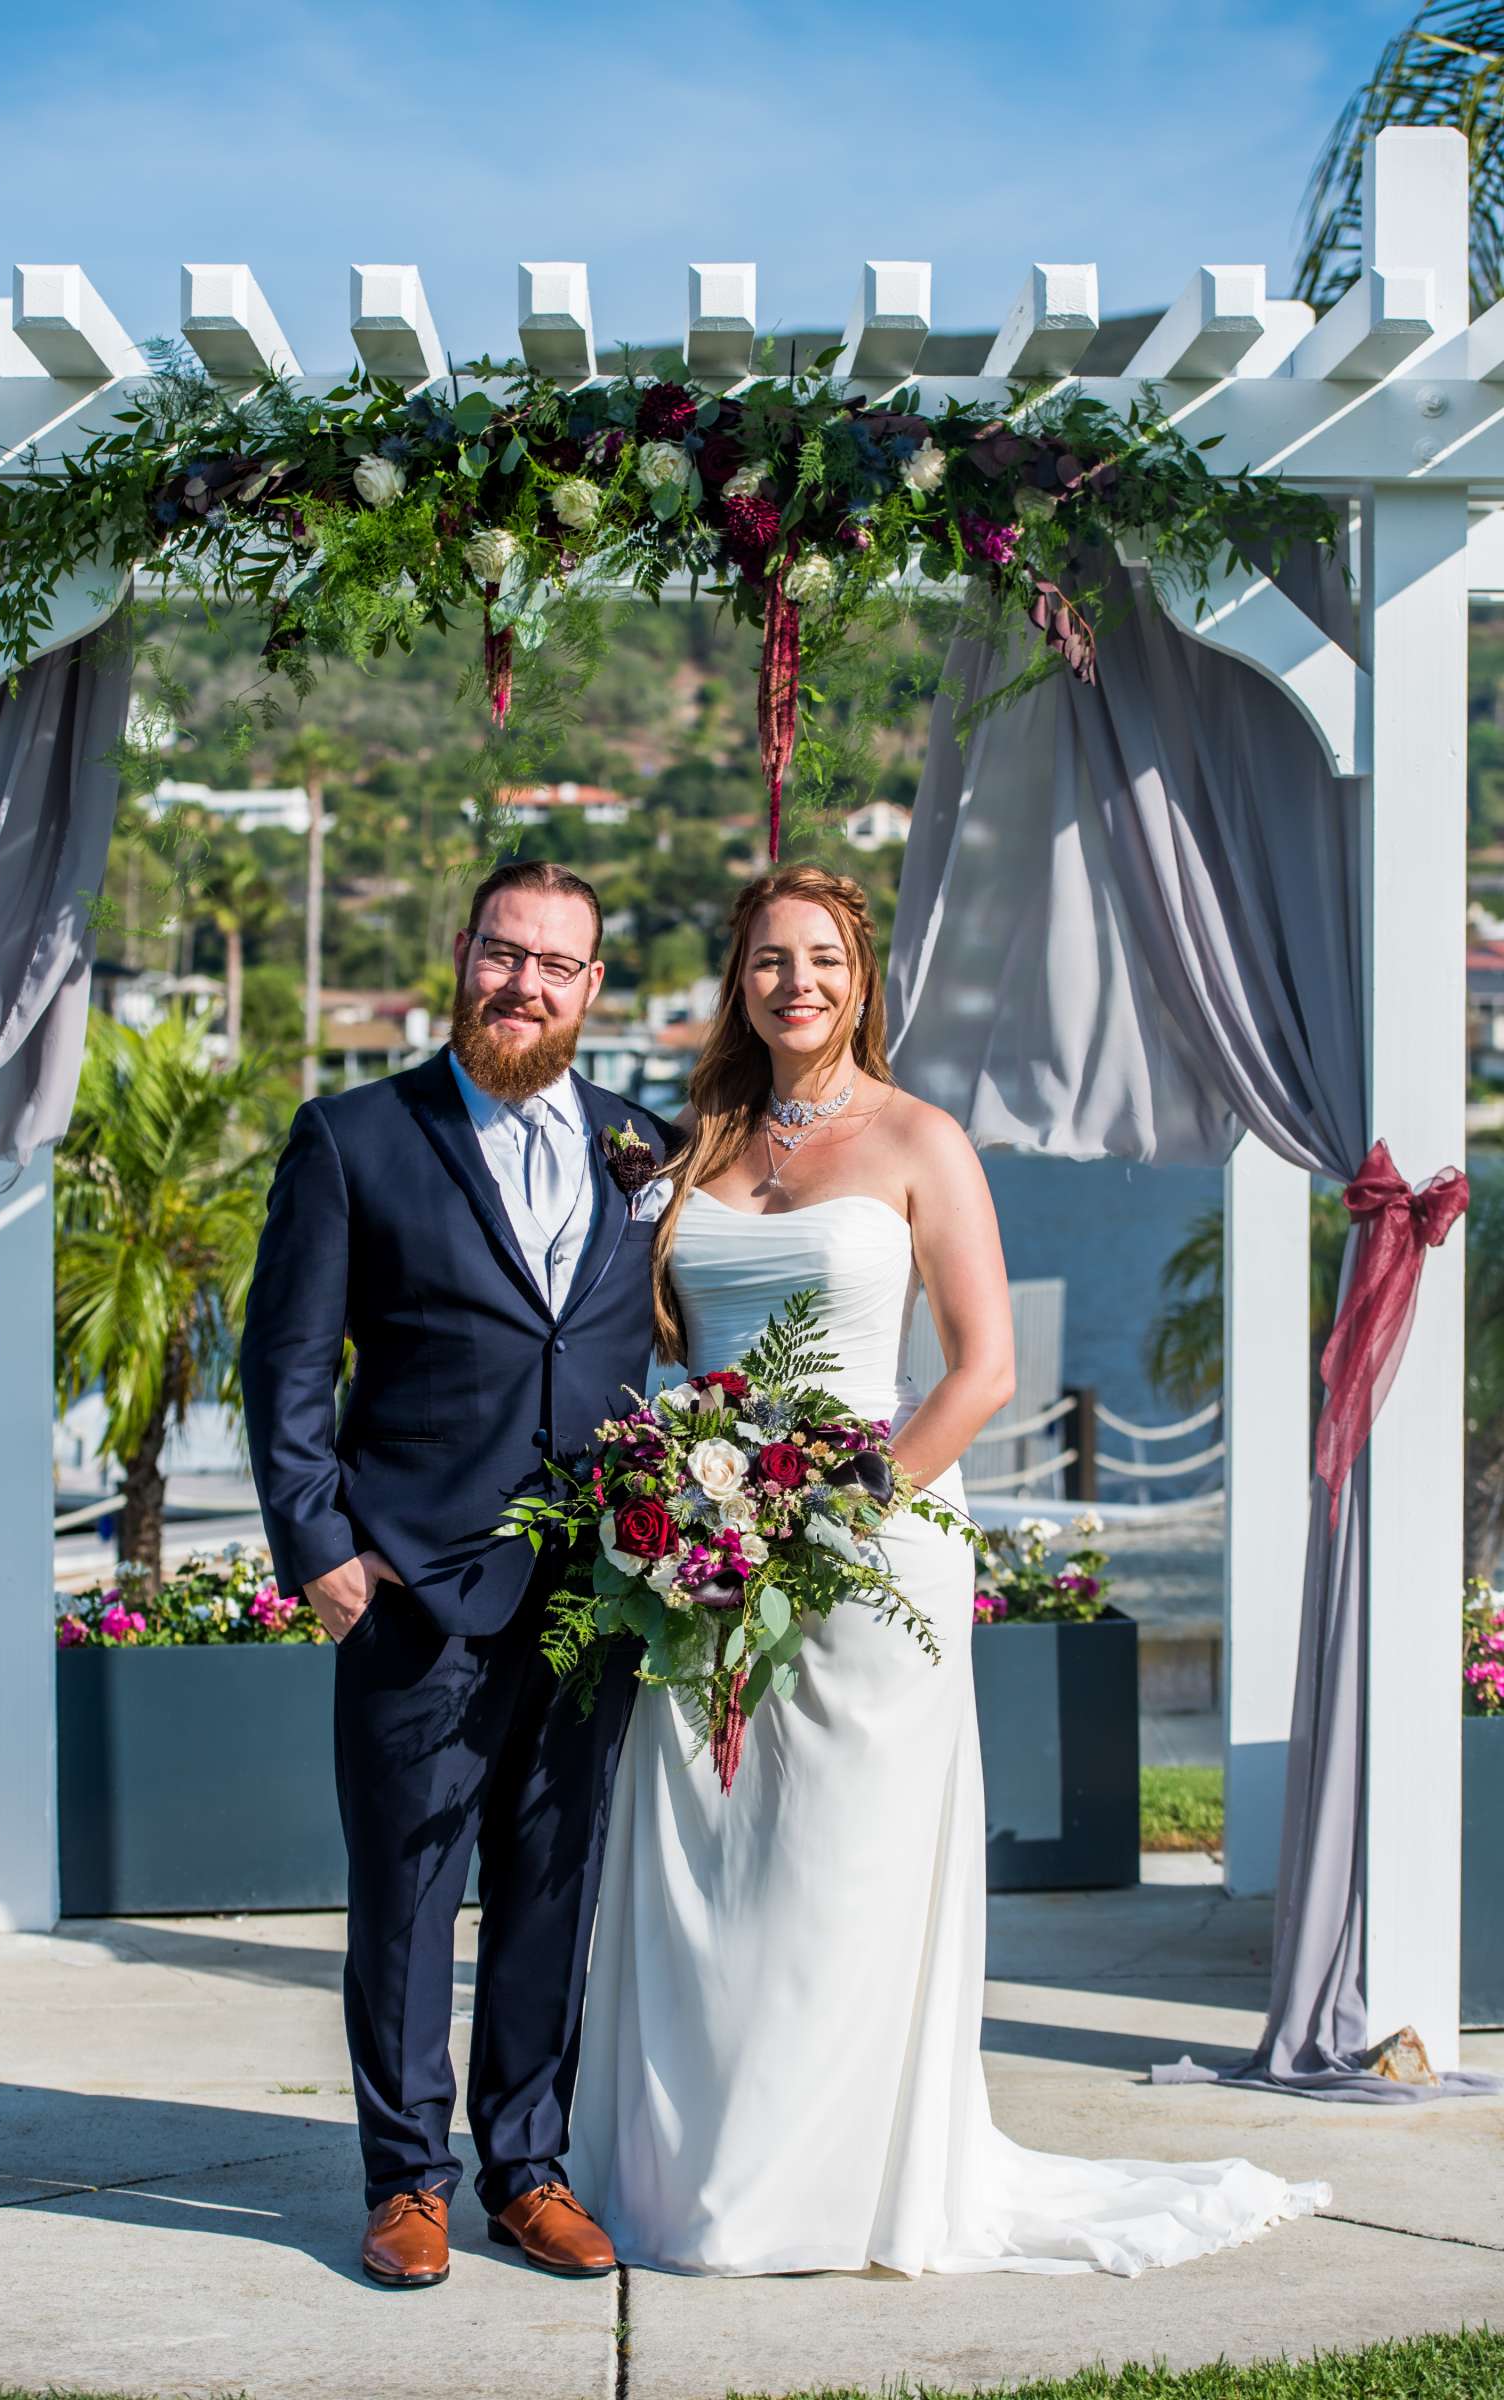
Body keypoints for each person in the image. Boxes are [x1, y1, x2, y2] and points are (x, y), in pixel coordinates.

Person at [570, 862, 1329, 2277]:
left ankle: (835, 2193)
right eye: (768, 961)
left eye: (823, 961)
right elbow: (652, 1345)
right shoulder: (695, 1149)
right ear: (735, 981)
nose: (796, 984)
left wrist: (840, 1509)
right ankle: (691, 2179)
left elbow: (985, 1370)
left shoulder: (923, 1142)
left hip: (867, 1553)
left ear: (863, 981)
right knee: (703, 1868)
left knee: (838, 1873)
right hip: (703, 1555)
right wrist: (685, 1506)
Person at [240, 859, 675, 2291]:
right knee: (408, 1894)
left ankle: (527, 2171)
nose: (524, 985)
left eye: (557, 964)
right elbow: (288, 1364)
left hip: (593, 1596)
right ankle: (405, 2182)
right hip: (412, 1586)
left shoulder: (644, 1144)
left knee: (553, 1885)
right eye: (503, 953)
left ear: (592, 987)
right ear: (462, 954)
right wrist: (322, 1553)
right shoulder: (355, 1137)